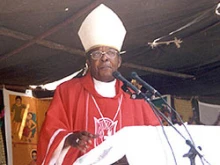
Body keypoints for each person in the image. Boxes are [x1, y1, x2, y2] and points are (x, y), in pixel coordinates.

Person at [37, 4, 160, 164]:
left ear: (119, 61)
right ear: (88, 61)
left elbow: (156, 139)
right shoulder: (67, 91)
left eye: (111, 53)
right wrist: (70, 139)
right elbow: (50, 133)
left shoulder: (134, 95)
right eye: (97, 54)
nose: (104, 58)